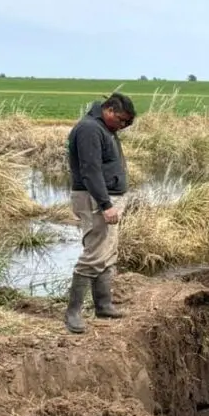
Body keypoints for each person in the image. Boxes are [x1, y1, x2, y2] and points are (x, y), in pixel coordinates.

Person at [64, 92, 136, 334]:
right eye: (122, 121)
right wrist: (105, 205)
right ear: (109, 111)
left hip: (106, 197)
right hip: (95, 199)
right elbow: (90, 170)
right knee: (95, 253)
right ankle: (72, 313)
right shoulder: (89, 130)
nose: (123, 126)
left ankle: (103, 305)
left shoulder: (104, 129)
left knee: (108, 251)